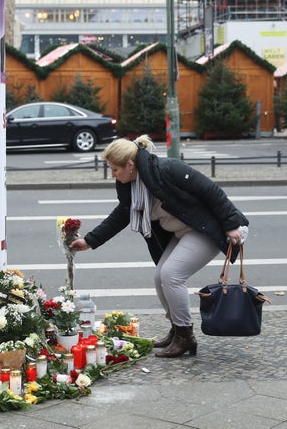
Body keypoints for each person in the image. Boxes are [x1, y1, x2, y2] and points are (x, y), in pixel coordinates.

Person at [69, 135, 249, 358]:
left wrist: (231, 224)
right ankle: (177, 329)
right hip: (183, 231)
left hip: (205, 229)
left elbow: (210, 191)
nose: (113, 174)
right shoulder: (130, 184)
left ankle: (185, 336)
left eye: (115, 169)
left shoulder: (166, 169)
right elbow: (122, 214)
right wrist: (89, 241)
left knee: (172, 275)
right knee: (160, 277)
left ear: (131, 165)